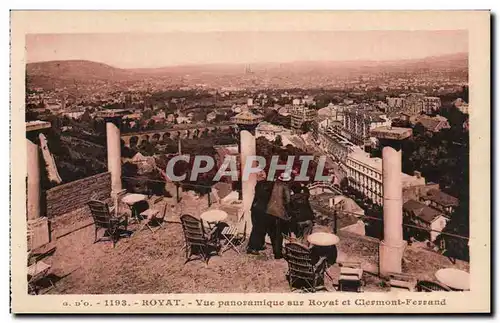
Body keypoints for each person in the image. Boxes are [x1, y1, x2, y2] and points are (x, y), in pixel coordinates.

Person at [265, 172, 292, 259]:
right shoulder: (285, 187)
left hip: (269, 211)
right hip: (279, 213)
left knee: (273, 234)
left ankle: (275, 250)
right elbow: (288, 201)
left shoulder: (274, 184)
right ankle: (278, 253)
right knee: (279, 234)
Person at [246, 171, 273, 255]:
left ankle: (259, 244)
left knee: (262, 228)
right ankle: (252, 247)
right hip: (259, 210)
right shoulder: (262, 185)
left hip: (259, 209)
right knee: (257, 229)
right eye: (263, 174)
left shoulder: (261, 184)